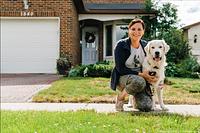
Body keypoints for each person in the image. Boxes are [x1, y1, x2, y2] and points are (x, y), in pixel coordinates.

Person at [110, 19, 161, 112]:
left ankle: (135, 97)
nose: (136, 32)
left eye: (139, 29)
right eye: (133, 29)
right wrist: (141, 75)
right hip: (123, 79)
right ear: (129, 30)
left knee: (146, 107)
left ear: (143, 31)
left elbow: (153, 64)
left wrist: (158, 78)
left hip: (141, 80)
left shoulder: (146, 46)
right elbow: (120, 68)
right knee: (139, 81)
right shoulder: (121, 45)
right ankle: (121, 97)